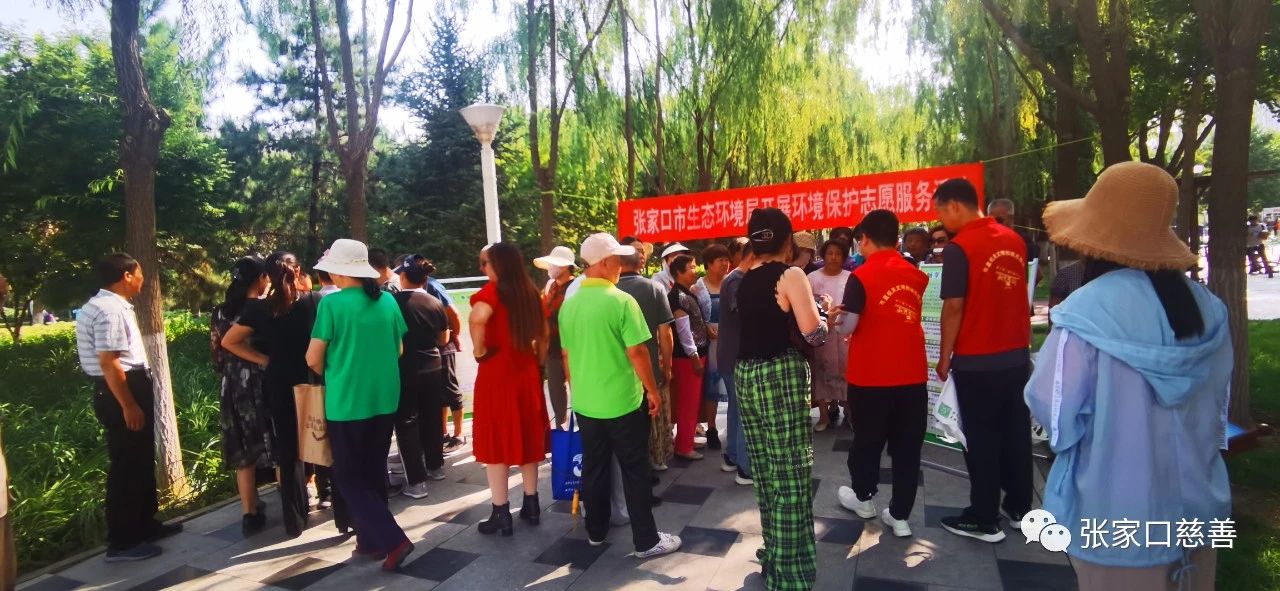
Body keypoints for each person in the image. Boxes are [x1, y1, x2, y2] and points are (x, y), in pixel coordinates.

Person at [1028, 161, 1230, 589]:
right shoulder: (1206, 306)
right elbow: (1218, 404)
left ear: (1095, 237)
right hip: (1196, 505)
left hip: (1117, 510)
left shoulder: (1085, 310)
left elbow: (1053, 408)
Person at [559, 233, 683, 559]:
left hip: (587, 403)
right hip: (623, 403)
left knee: (595, 467)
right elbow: (637, 352)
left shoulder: (569, 305)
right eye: (617, 259)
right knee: (635, 470)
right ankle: (646, 540)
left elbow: (567, 357)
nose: (622, 264)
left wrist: (577, 390)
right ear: (603, 262)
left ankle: (595, 531)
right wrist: (652, 390)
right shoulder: (621, 301)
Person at [933, 179, 1032, 543]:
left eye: (940, 211)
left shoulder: (960, 247)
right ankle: (1020, 508)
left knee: (982, 439)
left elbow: (953, 306)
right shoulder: (1014, 240)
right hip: (1016, 356)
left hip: (978, 359)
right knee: (1016, 434)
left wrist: (944, 355)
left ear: (954, 206)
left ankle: (984, 517)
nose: (941, 220)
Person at [306, 239, 414, 571]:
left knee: (348, 476)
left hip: (348, 402)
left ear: (340, 272)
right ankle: (371, 542)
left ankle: (393, 540)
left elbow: (312, 358)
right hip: (384, 397)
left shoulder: (332, 305)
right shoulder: (387, 301)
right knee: (372, 471)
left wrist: (339, 368)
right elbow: (399, 349)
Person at [735, 208, 828, 589]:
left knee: (766, 474)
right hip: (779, 377)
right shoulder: (790, 275)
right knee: (790, 477)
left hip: (746, 376)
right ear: (788, 240)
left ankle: (774, 553)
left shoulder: (745, 278)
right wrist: (824, 316)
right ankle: (789, 577)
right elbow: (813, 333)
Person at [75, 254, 182, 562]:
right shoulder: (109, 310)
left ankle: (144, 524)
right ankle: (123, 541)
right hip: (121, 389)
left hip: (125, 385)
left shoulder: (105, 305)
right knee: (127, 465)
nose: (142, 279)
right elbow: (110, 362)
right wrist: (129, 404)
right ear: (126, 275)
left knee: (141, 458)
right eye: (140, 273)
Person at [832, 210, 929, 538]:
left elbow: (849, 325)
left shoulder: (861, 275)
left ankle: (863, 498)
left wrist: (835, 318)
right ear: (897, 238)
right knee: (907, 447)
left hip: (870, 376)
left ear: (864, 239)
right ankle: (900, 515)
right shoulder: (915, 273)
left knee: (867, 441)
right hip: (911, 374)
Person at [229, 252, 323, 536]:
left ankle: (294, 521)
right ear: (298, 271)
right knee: (324, 440)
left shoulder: (259, 309)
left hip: (278, 382)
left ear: (268, 276)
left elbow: (229, 341)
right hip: (312, 379)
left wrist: (264, 360)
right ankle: (343, 513)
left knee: (288, 451)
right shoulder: (315, 301)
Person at [468, 242, 549, 536]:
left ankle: (501, 511)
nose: (482, 268)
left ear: (499, 264)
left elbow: (477, 318)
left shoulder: (493, 291)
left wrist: (479, 351)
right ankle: (532, 504)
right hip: (526, 371)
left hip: (497, 372)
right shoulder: (531, 292)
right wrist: (539, 364)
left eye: (485, 263)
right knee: (528, 436)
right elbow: (544, 334)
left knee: (496, 442)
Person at [211, 256, 276, 535]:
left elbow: (217, 352)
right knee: (275, 443)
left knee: (243, 450)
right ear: (261, 278)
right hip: (261, 382)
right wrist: (263, 360)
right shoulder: (262, 308)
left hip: (231, 384)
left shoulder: (220, 311)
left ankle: (249, 513)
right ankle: (292, 505)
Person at [392, 255, 452, 498]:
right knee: (432, 417)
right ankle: (436, 467)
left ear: (404, 276)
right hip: (433, 365)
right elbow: (444, 338)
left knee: (406, 422)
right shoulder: (434, 302)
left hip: (405, 367)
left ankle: (416, 482)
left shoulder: (393, 302)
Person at [617, 238, 676, 472]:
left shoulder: (609, 291)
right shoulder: (654, 288)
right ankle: (655, 459)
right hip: (649, 365)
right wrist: (667, 365)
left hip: (618, 372)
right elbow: (665, 333)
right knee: (652, 414)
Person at [717, 241, 754, 485]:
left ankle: (732, 457)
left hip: (731, 355)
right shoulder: (737, 281)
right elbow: (744, 313)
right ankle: (745, 468)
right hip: (735, 356)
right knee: (742, 412)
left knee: (735, 409)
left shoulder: (735, 279)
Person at [668, 254, 710, 461]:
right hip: (687, 359)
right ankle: (683, 447)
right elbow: (684, 331)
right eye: (691, 267)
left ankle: (687, 439)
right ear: (679, 272)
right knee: (687, 402)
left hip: (694, 355)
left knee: (692, 401)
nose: (696, 270)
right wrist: (693, 357)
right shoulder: (677, 296)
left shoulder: (686, 292)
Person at [807, 240, 851, 431]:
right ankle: (824, 416)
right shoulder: (812, 278)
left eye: (838, 253)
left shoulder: (850, 277)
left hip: (845, 332)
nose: (834, 257)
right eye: (830, 253)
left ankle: (849, 413)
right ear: (823, 255)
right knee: (821, 372)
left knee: (847, 372)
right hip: (822, 333)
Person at [534, 245, 578, 428]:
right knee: (555, 391)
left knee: (577, 390)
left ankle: (580, 428)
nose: (551, 268)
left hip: (573, 348)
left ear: (566, 266)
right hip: (552, 348)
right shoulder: (550, 286)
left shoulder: (577, 287)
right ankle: (561, 427)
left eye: (555, 264)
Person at [693, 243, 731, 451]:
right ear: (708, 263)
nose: (725, 264)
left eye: (727, 259)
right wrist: (705, 327)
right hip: (709, 344)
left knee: (734, 384)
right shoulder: (698, 288)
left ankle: (735, 427)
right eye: (720, 260)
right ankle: (712, 428)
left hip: (731, 340)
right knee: (711, 387)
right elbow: (692, 318)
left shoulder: (732, 283)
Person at [987, 198, 1040, 267]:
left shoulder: (1024, 242)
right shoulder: (985, 241)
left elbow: (1034, 271)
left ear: (1011, 218)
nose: (994, 224)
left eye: (998, 220)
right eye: (990, 221)